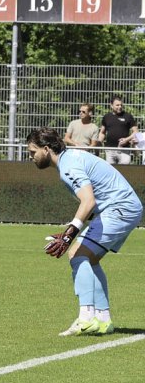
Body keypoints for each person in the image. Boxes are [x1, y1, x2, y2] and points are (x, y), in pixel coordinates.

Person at [26, 127, 142, 336]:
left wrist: (69, 236)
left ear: (46, 149)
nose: (30, 156)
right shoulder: (71, 158)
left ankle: (86, 318)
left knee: (76, 255)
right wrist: (69, 232)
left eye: (33, 152)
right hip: (124, 208)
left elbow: (88, 201)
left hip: (118, 208)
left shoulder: (68, 166)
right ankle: (103, 320)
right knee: (91, 260)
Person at [98, 95, 137, 164]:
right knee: (111, 169)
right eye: (117, 105)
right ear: (111, 105)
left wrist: (126, 139)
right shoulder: (107, 117)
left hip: (124, 150)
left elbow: (136, 132)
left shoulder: (128, 116)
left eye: (121, 105)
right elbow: (102, 132)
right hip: (110, 150)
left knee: (124, 169)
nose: (120, 107)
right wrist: (99, 142)